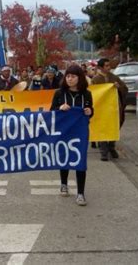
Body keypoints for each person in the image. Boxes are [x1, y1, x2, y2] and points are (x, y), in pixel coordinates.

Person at [50, 65, 94, 206]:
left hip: (80, 133)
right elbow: (51, 112)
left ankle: (80, 193)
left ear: (79, 78)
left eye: (73, 76)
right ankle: (64, 184)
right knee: (64, 158)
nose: (70, 79)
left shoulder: (86, 94)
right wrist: (60, 108)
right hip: (64, 132)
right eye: (68, 76)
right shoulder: (59, 93)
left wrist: (89, 111)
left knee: (79, 161)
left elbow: (91, 111)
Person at [91, 58, 128, 161]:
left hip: (114, 108)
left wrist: (118, 87)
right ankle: (104, 152)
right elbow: (92, 94)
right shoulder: (95, 79)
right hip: (102, 109)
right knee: (103, 128)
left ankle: (112, 147)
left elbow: (125, 89)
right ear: (101, 67)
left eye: (109, 65)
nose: (109, 67)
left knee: (114, 127)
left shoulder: (114, 77)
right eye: (106, 66)